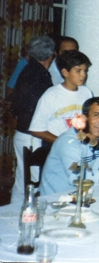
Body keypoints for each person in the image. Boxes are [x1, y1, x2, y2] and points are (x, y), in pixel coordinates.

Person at [39, 97, 99, 195]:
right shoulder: (69, 142)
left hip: (84, 196)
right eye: (97, 115)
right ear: (85, 118)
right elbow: (76, 175)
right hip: (55, 201)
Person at [9, 36, 55, 203]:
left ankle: (13, 217)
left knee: (22, 179)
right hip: (32, 136)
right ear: (52, 55)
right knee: (33, 182)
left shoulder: (26, 70)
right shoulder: (41, 76)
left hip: (22, 132)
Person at [29, 50, 93, 146]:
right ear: (65, 72)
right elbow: (36, 129)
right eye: (78, 71)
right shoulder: (51, 95)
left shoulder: (86, 92)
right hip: (56, 147)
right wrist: (63, 142)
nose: (83, 75)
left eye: (85, 71)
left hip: (78, 147)